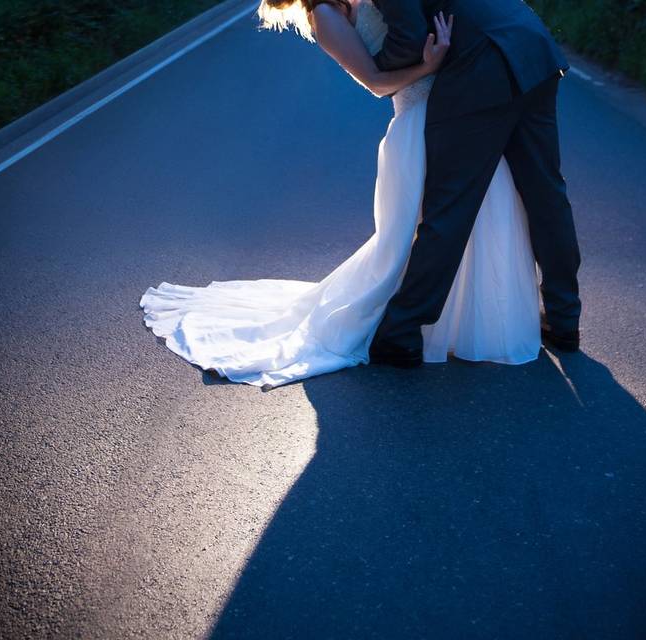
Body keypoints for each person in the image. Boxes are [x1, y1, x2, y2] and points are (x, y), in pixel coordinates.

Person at [139, 0, 579, 389]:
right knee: (545, 194)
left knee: (449, 208)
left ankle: (402, 331)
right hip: (527, 43)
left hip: (482, 68)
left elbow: (406, 39)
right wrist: (426, 59)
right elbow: (388, 60)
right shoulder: (326, 16)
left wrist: (425, 57)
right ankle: (565, 318)